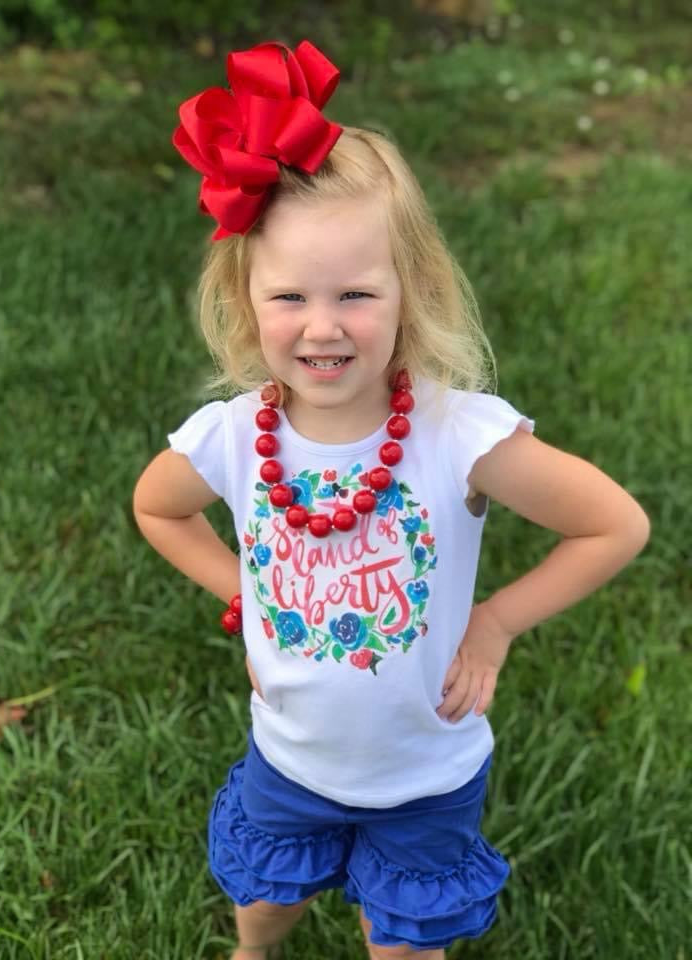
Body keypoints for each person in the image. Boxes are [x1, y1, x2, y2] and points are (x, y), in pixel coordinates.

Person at [132, 40, 650, 960]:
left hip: (426, 772)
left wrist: (493, 623)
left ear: (411, 292)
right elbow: (158, 507)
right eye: (289, 294)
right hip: (289, 759)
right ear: (246, 300)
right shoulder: (232, 433)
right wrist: (247, 590)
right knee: (268, 898)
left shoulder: (459, 437)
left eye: (356, 294)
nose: (323, 324)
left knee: (407, 942)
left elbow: (615, 523)